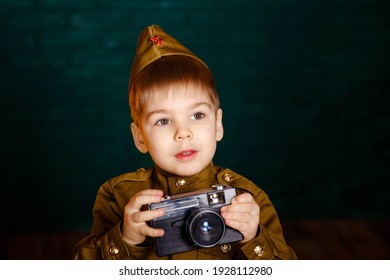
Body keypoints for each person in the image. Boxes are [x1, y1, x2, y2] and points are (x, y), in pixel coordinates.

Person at [73, 25, 297, 260]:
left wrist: (254, 237)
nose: (183, 133)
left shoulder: (247, 198)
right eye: (163, 120)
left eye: (197, 115)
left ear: (218, 125)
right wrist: (125, 238)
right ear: (139, 137)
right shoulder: (117, 196)